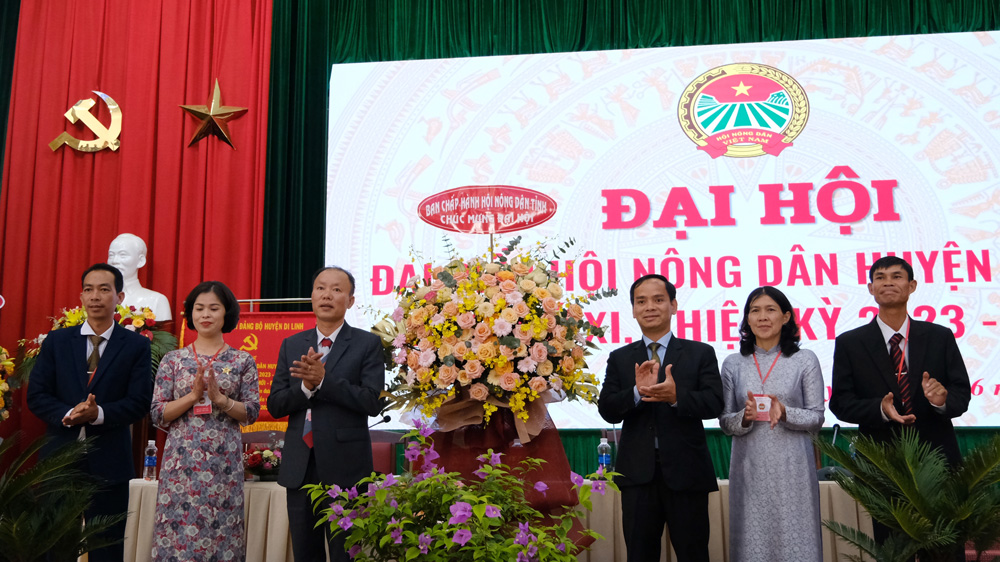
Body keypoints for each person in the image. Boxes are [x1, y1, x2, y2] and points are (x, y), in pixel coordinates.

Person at [830, 256, 971, 554]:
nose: (888, 282)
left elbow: (961, 393)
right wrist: (880, 410)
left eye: (897, 276)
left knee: (945, 551)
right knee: (894, 553)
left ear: (912, 286)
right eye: (880, 277)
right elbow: (840, 403)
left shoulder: (939, 337)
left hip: (938, 461)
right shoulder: (850, 343)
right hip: (883, 467)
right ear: (870, 288)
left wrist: (942, 401)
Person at [27, 263, 153, 562]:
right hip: (59, 459)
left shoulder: (135, 345)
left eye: (104, 289)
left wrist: (98, 414)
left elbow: (139, 401)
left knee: (106, 547)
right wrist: (71, 411)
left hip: (110, 461)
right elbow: (37, 395)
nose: (95, 296)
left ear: (119, 297)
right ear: (81, 296)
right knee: (55, 545)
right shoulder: (57, 341)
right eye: (88, 289)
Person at [597, 274, 723, 562]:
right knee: (640, 555)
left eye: (658, 299)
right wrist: (637, 391)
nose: (649, 307)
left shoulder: (699, 353)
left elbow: (715, 403)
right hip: (637, 475)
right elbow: (607, 408)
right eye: (641, 301)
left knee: (693, 554)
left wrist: (677, 397)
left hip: (687, 472)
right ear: (633, 309)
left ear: (673, 305)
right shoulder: (620, 358)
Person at [268, 266, 385, 562]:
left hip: (345, 467)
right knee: (306, 553)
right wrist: (305, 388)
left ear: (351, 300)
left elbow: (372, 402)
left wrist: (323, 381)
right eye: (321, 288)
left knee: (344, 553)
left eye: (336, 289)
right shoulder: (292, 343)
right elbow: (276, 404)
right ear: (311, 296)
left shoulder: (366, 344)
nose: (327, 295)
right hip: (299, 464)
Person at [149, 281, 260, 560]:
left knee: (222, 538)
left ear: (227, 314)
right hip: (180, 465)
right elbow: (157, 414)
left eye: (213, 308)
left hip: (223, 465)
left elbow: (252, 413)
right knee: (177, 541)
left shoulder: (242, 360)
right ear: (190, 313)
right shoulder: (173, 360)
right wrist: (193, 396)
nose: (205, 315)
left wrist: (221, 400)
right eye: (199, 308)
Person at [719, 286, 825, 561]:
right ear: (747, 319)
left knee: (797, 544)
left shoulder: (805, 359)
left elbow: (817, 416)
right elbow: (724, 421)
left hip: (794, 470)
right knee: (752, 545)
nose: (762, 317)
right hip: (749, 468)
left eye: (770, 310)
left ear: (786, 317)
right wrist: (744, 416)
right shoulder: (733, 364)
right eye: (755, 311)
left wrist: (786, 412)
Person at [107, 232, 172, 320]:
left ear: (141, 261)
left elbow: (163, 332)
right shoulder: (98, 298)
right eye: (111, 255)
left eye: (123, 255)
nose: (114, 261)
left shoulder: (157, 300)